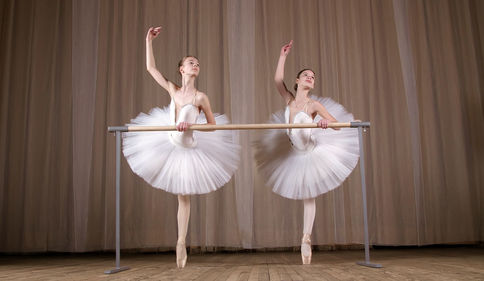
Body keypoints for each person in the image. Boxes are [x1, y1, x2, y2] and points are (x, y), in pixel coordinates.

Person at [122, 26, 240, 268]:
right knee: (181, 198)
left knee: (184, 198)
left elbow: (213, 126)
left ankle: (180, 241)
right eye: (190, 62)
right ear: (181, 69)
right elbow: (150, 69)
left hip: (189, 148)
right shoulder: (173, 90)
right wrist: (148, 41)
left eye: (197, 63)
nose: (195, 65)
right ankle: (180, 241)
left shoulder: (200, 98)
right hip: (169, 145)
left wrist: (192, 127)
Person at [255, 40, 359, 264]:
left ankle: (306, 238)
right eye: (306, 75)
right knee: (304, 194)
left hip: (310, 151)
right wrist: (282, 56)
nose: (310, 78)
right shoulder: (289, 100)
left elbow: (335, 124)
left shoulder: (314, 106)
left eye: (313, 77)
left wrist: (331, 123)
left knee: (308, 195)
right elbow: (276, 81)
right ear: (297, 80)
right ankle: (305, 237)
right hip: (292, 150)